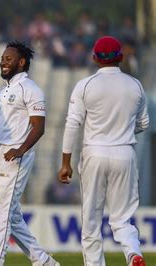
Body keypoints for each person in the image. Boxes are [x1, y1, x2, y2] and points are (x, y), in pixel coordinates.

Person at [0, 41, 59, 266]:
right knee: (10, 215)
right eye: (2, 58)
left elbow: (39, 126)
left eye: (8, 58)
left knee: (2, 213)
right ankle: (44, 261)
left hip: (16, 155)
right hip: (2, 154)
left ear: (21, 62)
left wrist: (20, 150)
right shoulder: (3, 91)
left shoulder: (31, 89)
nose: (3, 62)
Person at [58, 36, 149, 266]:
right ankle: (133, 253)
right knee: (122, 219)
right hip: (125, 153)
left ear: (94, 57)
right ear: (120, 57)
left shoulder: (85, 85)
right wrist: (123, 131)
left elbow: (72, 124)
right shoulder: (135, 85)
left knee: (91, 220)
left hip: (94, 153)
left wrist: (66, 162)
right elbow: (144, 124)